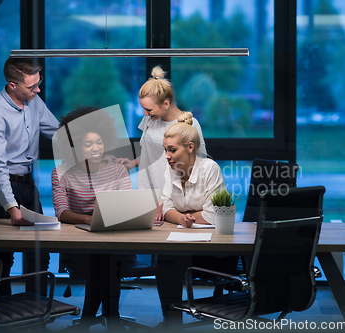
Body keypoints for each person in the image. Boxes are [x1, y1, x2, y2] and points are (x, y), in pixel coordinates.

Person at [0, 57, 57, 297]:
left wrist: (88, 140)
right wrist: (12, 208)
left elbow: (55, 131)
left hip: (27, 184)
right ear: (12, 85)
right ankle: (0, 310)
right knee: (3, 255)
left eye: (39, 82)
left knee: (41, 252)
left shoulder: (34, 101)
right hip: (0, 189)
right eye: (32, 86)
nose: (38, 89)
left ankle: (36, 309)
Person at [51, 106, 132, 327]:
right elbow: (61, 212)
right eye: (88, 144)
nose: (96, 148)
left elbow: (127, 204)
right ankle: (110, 318)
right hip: (80, 240)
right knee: (99, 260)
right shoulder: (61, 172)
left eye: (99, 142)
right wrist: (91, 220)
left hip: (114, 237)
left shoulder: (117, 170)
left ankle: (91, 318)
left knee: (107, 258)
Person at [156, 112, 238, 326]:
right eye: (165, 150)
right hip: (182, 240)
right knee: (166, 260)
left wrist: (182, 217)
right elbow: (166, 206)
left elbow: (213, 213)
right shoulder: (171, 169)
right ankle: (171, 320)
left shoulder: (209, 168)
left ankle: (173, 321)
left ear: (190, 147)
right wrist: (183, 219)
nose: (167, 155)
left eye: (172, 150)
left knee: (170, 263)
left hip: (214, 249)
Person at [115, 66, 207, 221]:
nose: (145, 114)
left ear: (166, 104)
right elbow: (150, 151)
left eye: (149, 109)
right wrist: (133, 163)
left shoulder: (190, 124)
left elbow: (198, 165)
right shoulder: (150, 119)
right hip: (146, 192)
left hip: (173, 198)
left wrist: (165, 198)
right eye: (143, 108)